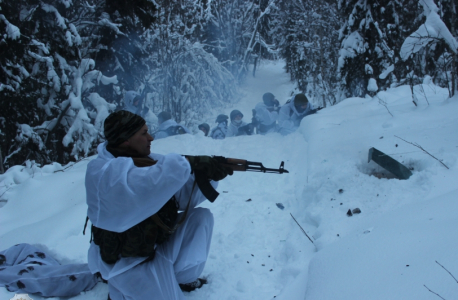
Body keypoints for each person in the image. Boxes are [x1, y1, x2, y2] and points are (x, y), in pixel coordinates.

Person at [85, 110, 232, 300]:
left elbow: (179, 194)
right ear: (126, 139)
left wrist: (207, 174)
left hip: (152, 248)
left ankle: (183, 278)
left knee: (201, 218)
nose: (151, 137)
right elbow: (151, 182)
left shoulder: (146, 162)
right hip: (127, 264)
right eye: (143, 133)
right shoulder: (103, 172)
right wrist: (188, 164)